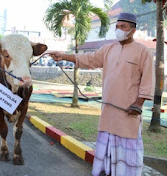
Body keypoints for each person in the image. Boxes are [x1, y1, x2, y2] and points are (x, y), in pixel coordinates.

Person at [50, 13, 154, 176]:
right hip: (108, 113)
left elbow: (147, 81)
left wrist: (138, 104)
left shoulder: (143, 52)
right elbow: (87, 59)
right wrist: (63, 56)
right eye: (117, 26)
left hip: (128, 113)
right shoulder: (108, 49)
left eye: (123, 27)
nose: (119, 30)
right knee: (107, 152)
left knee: (128, 154)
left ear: (133, 30)